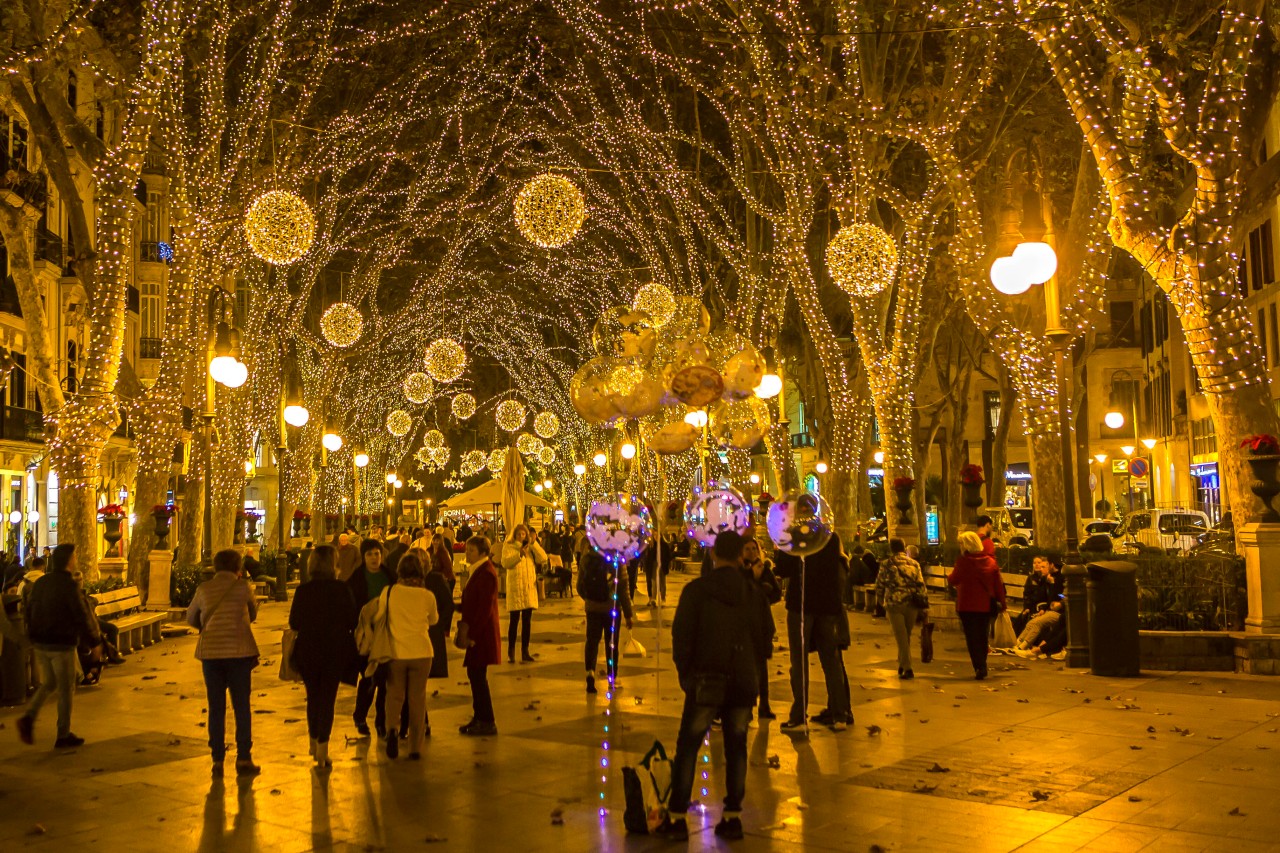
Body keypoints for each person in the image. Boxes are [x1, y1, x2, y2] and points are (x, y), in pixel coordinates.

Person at [656, 531, 771, 842]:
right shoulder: (753, 592)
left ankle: (678, 817)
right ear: (740, 556)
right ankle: (733, 816)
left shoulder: (697, 591)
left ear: (713, 554)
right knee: (737, 746)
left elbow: (681, 637)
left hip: (706, 679)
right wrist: (752, 669)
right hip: (743, 679)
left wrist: (687, 676)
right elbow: (765, 639)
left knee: (689, 746)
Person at [16, 544, 98, 749]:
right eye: (75, 556)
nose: (76, 559)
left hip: (41, 642)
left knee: (50, 683)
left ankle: (29, 717)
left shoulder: (42, 582)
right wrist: (94, 642)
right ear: (69, 560)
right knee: (66, 689)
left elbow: (30, 608)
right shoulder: (69, 586)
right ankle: (63, 733)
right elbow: (81, 615)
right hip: (61, 643)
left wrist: (32, 635)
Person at [187, 549, 260, 776]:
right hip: (239, 653)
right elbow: (253, 613)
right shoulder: (243, 587)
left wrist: (208, 627)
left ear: (216, 567)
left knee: (216, 707)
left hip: (211, 654)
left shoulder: (203, 589)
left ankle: (217, 759)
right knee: (241, 706)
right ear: (238, 567)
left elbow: (190, 617)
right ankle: (244, 758)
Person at [773, 533, 853, 732]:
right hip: (827, 605)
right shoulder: (831, 537)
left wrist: (781, 545)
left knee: (799, 661)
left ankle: (799, 716)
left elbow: (783, 569)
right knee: (831, 661)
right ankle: (840, 715)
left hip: (801, 604)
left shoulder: (794, 536)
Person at [289, 545, 358, 769]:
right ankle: (322, 748)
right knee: (327, 698)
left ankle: (312, 740)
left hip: (308, 650)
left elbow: (294, 623)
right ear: (333, 565)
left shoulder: (303, 591)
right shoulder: (341, 589)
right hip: (334, 650)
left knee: (313, 696)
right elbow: (352, 620)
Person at [382, 554, 439, 760]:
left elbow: (381, 616)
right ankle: (415, 747)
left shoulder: (389, 593)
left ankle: (392, 730)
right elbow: (434, 620)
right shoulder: (427, 596)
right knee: (417, 698)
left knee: (394, 695)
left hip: (396, 652)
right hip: (422, 652)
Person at [348, 538, 396, 737]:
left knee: (384, 679)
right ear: (364, 557)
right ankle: (360, 715)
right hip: (365, 637)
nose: (374, 558)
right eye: (370, 554)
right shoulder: (356, 578)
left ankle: (381, 721)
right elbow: (351, 607)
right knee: (368, 678)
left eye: (377, 553)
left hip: (386, 634)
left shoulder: (389, 575)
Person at [457, 535, 500, 736]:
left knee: (477, 676)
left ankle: (486, 719)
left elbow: (484, 608)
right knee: (475, 675)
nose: (467, 553)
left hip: (481, 634)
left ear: (483, 553)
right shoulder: (478, 571)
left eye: (471, 551)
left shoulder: (486, 574)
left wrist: (472, 634)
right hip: (478, 631)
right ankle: (480, 717)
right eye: (467, 550)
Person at [948, 531, 1006, 680]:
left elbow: (954, 579)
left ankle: (978, 666)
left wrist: (949, 576)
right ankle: (983, 664)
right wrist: (1003, 603)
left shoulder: (963, 561)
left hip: (966, 605)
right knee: (982, 636)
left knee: (971, 637)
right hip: (985, 605)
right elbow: (998, 585)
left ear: (965, 545)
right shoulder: (991, 562)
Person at [577, 548, 634, 694]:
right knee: (612, 644)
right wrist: (628, 614)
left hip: (592, 609)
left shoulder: (587, 557)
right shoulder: (617, 560)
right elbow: (623, 589)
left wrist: (590, 600)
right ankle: (612, 678)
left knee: (592, 642)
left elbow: (579, 586)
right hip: (612, 608)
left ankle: (590, 674)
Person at [740, 534, 781, 719]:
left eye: (754, 548)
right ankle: (746, 707)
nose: (751, 552)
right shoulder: (739, 569)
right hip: (745, 624)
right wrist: (752, 579)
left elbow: (776, 593)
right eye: (747, 549)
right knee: (746, 668)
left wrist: (764, 590)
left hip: (762, 623)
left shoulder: (764, 568)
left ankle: (764, 705)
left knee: (762, 669)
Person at [875, 538, 926, 679]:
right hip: (912, 603)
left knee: (901, 637)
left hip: (894, 603)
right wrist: (923, 605)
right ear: (904, 547)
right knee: (906, 635)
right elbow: (920, 584)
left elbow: (879, 584)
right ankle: (902, 663)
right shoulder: (914, 564)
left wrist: (881, 601)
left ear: (891, 548)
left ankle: (908, 668)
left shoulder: (886, 564)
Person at [418, 546, 455, 717]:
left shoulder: (434, 579)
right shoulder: (406, 582)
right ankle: (419, 718)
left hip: (430, 633)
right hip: (419, 635)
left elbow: (448, 604)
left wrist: (441, 626)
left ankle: (420, 719)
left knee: (418, 681)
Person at [499, 524, 544, 663]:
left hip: (528, 588)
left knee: (527, 622)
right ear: (514, 535)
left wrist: (534, 543)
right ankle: (511, 652)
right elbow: (505, 563)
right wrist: (519, 555)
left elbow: (543, 557)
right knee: (514, 622)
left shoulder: (530, 548)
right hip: (516, 589)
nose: (521, 537)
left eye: (524, 534)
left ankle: (525, 651)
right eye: (519, 534)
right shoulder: (509, 546)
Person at [1014, 556, 1064, 632]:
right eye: (1035, 563)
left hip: (1054, 609)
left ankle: (1024, 642)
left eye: (1043, 567)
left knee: (1033, 622)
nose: (1040, 569)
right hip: (1040, 606)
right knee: (1020, 621)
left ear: (1050, 565)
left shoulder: (1057, 578)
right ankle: (1020, 641)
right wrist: (1027, 607)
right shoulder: (1040, 579)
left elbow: (1060, 595)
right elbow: (1032, 594)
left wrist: (1052, 584)